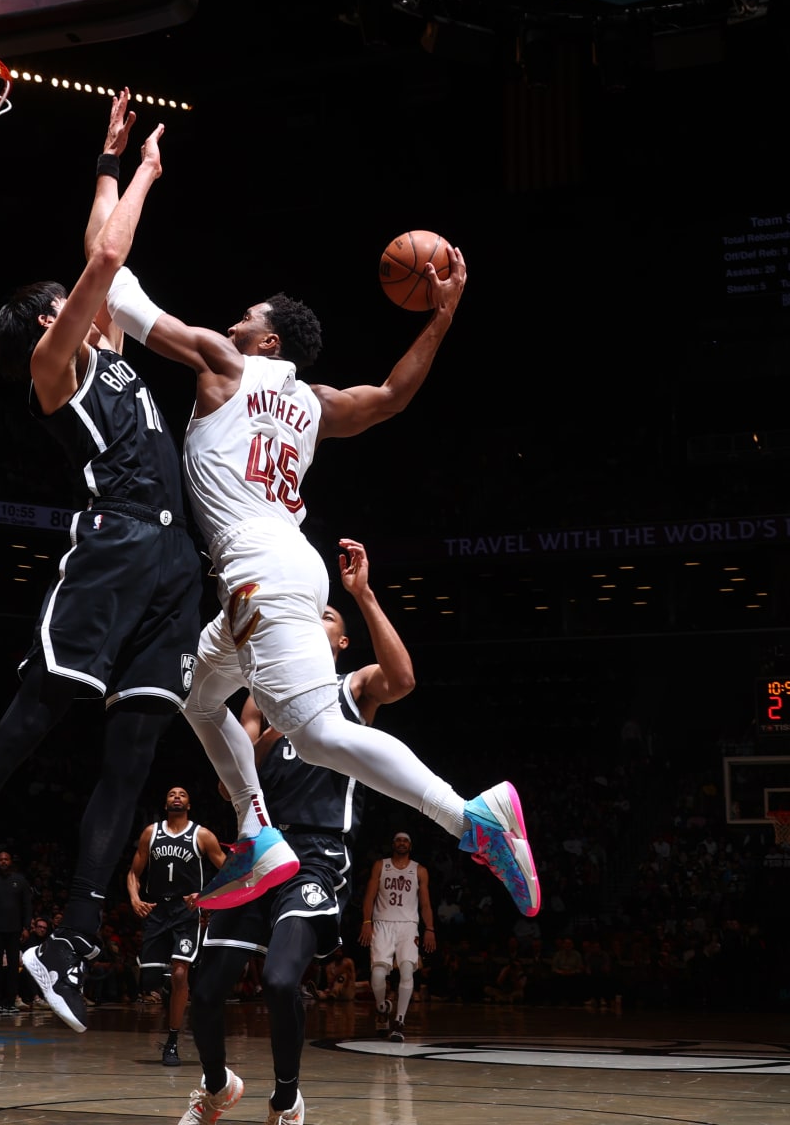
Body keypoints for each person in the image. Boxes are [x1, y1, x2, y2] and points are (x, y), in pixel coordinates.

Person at [0, 99, 292, 1025]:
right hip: (111, 544)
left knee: (134, 752)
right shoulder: (52, 369)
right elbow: (106, 259)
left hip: (177, 564)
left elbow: (102, 251)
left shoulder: (101, 348)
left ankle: (71, 941)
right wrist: (147, 172)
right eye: (67, 303)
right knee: (30, 723)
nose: (86, 302)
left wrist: (104, 162)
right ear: (44, 322)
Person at [93, 110, 539, 923]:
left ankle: (470, 816)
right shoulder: (316, 403)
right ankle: (259, 832)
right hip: (267, 572)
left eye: (247, 314)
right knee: (198, 696)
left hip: (262, 570)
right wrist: (441, 315)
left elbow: (108, 276)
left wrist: (118, 170)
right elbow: (396, 396)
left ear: (265, 341)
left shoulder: (226, 364)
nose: (233, 318)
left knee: (320, 734)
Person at [180, 537, 414, 1125]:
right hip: (257, 844)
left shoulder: (351, 691)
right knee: (206, 991)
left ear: (338, 642)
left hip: (314, 856)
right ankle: (216, 1086)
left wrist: (360, 594)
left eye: (327, 615)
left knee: (282, 980)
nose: (317, 615)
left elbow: (403, 678)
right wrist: (273, 725)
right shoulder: (264, 696)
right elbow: (231, 776)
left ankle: (286, 1101)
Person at [125, 786, 226, 1066]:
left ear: (189, 804)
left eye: (182, 794)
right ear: (165, 802)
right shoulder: (151, 833)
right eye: (171, 794)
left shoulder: (201, 835)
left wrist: (206, 897)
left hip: (186, 911)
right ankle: (172, 989)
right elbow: (134, 872)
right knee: (150, 981)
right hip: (157, 910)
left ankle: (172, 1041)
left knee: (180, 974)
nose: (177, 796)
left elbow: (228, 870)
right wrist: (134, 898)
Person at [361, 830, 434, 1042]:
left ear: (410, 846)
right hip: (382, 923)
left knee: (406, 971)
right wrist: (367, 922)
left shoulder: (419, 870)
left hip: (408, 925)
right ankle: (382, 1008)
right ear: (393, 844)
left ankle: (399, 1021)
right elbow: (369, 897)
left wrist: (430, 929)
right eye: (398, 840)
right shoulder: (380, 865)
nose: (402, 843)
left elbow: (426, 904)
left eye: (406, 841)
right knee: (377, 975)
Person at [0, 851, 33, 1014]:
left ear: (11, 861)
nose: (3, 862)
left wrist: (26, 927)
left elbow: (27, 905)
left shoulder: (20, 880)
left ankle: (11, 1002)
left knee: (13, 967)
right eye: (0, 859)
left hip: (14, 929)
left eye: (6, 859)